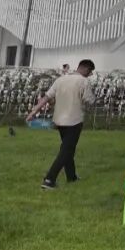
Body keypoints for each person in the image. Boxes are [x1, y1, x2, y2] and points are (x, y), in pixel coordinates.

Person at [26, 59, 95, 190]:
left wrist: (33, 112)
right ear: (86, 69)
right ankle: (49, 180)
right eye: (90, 72)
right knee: (66, 150)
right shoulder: (83, 81)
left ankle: (71, 176)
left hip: (59, 120)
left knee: (68, 148)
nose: (90, 75)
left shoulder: (60, 80)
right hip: (74, 120)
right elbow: (89, 100)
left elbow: (46, 97)